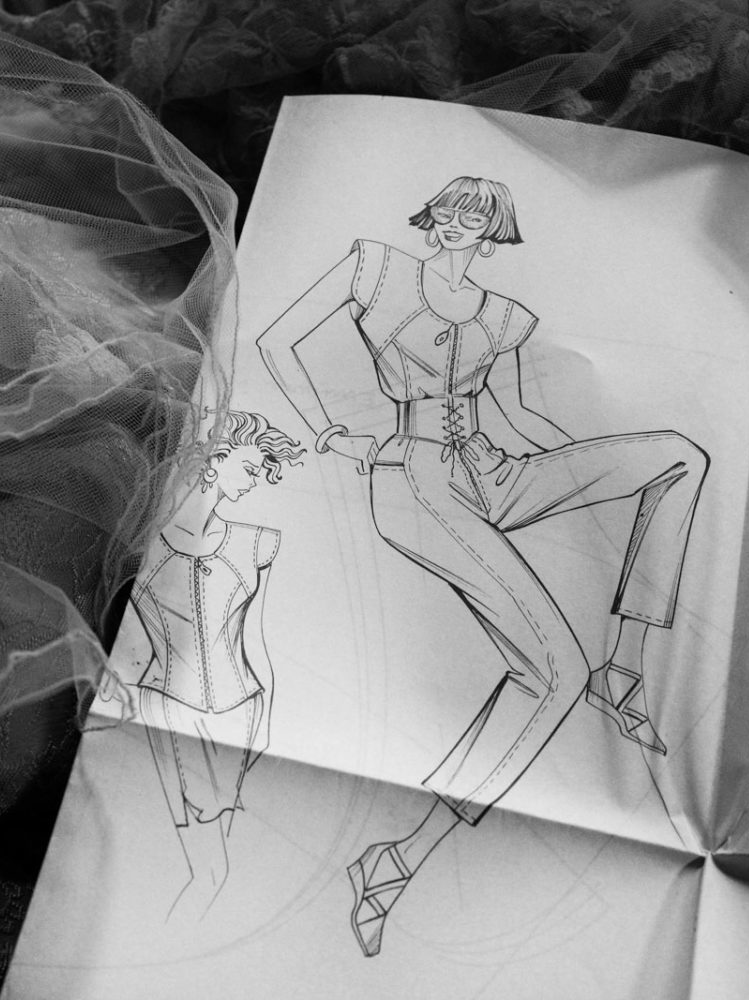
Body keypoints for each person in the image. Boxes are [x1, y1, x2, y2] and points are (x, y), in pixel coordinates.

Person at [256, 177, 708, 955]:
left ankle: (624, 669)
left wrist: (587, 469)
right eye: (449, 209)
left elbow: (520, 416)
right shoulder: (376, 269)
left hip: (497, 473)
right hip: (418, 483)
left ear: (496, 230)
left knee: (677, 457)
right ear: (431, 215)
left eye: (477, 215)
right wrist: (331, 434)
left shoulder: (504, 316)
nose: (458, 223)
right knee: (552, 673)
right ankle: (397, 860)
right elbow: (274, 343)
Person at [100, 410, 304, 915]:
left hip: (241, 710)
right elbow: (130, 645)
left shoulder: (257, 542)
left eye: (262, 472)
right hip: (166, 711)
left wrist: (267, 727)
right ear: (215, 458)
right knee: (207, 868)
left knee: (222, 863)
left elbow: (257, 642)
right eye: (252, 468)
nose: (257, 480)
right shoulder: (143, 545)